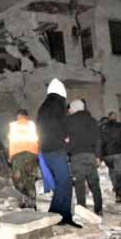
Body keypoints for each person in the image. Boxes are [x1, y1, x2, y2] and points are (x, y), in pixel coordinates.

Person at [37, 78, 81, 228]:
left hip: (46, 151)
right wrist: (65, 137)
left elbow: (41, 128)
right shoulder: (57, 105)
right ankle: (58, 215)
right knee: (65, 183)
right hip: (56, 150)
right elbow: (60, 125)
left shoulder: (43, 107)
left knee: (64, 183)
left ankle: (60, 216)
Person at [68, 100, 103, 215]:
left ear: (74, 108)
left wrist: (67, 151)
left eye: (70, 108)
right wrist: (98, 156)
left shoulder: (69, 121)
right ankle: (98, 209)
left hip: (76, 156)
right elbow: (98, 139)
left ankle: (82, 209)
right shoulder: (93, 121)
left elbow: (65, 140)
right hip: (91, 155)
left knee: (79, 184)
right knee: (94, 183)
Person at [8, 109, 39, 209]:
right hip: (31, 154)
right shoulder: (32, 125)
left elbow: (11, 142)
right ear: (27, 116)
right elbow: (37, 140)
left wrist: (10, 157)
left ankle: (24, 198)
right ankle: (32, 203)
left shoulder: (13, 126)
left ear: (18, 116)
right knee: (30, 178)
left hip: (18, 154)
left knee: (18, 178)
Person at [101, 111, 121, 204]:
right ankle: (118, 196)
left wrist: (101, 155)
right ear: (115, 117)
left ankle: (115, 187)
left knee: (112, 171)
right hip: (119, 153)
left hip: (107, 155)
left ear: (108, 118)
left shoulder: (102, 127)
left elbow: (100, 141)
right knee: (120, 174)